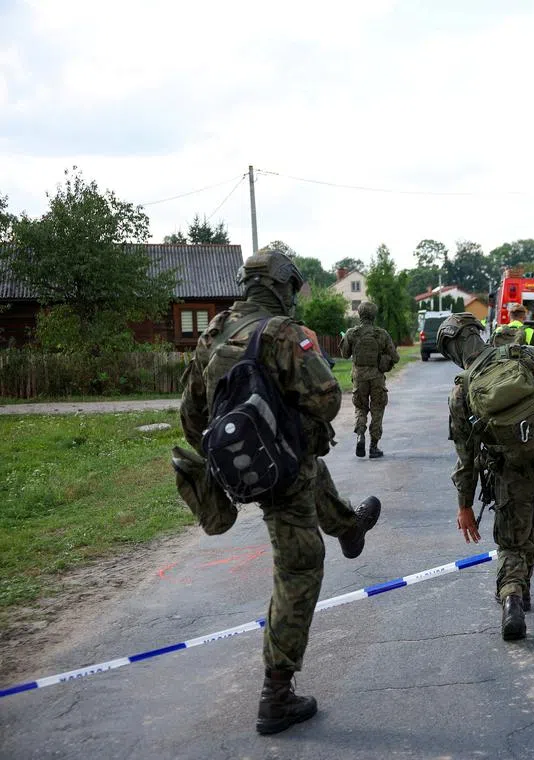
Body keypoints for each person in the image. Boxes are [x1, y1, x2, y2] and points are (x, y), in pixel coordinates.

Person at [178, 246, 382, 736]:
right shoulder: (283, 333)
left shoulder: (213, 332)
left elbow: (191, 418)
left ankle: (347, 525)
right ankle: (276, 695)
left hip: (244, 463)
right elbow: (329, 401)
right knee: (300, 566)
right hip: (281, 475)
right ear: (282, 286)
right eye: (292, 286)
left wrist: (240, 446)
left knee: (308, 464)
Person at [438, 312, 534, 641]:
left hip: (512, 474)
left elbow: (467, 459)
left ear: (451, 352)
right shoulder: (525, 355)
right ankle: (524, 588)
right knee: (533, 524)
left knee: (512, 543)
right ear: (479, 332)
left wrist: (464, 507)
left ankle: (512, 598)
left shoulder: (461, 394)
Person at [340, 301, 399, 458]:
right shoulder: (381, 334)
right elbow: (395, 357)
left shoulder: (351, 333)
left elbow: (344, 355)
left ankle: (360, 435)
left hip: (359, 378)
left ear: (359, 314)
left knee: (360, 408)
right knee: (377, 410)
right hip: (377, 378)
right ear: (374, 315)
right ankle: (374, 447)